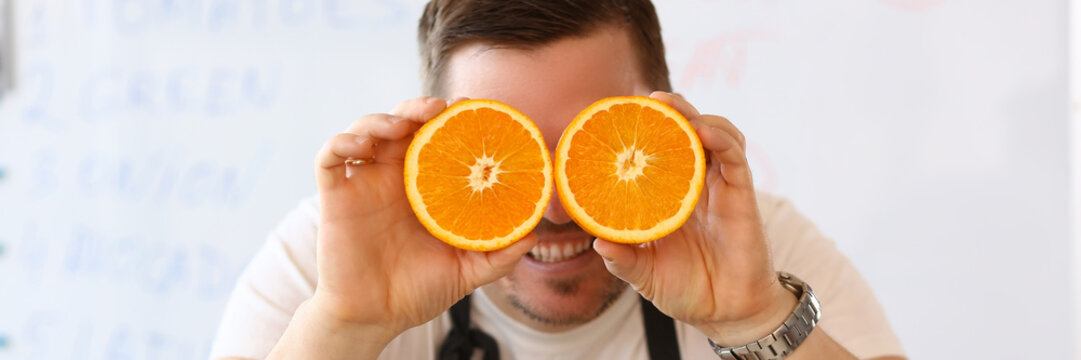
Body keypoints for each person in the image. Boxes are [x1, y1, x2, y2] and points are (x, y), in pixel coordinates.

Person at [210, 1, 906, 359]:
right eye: (505, 153)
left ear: (662, 119)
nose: (550, 206)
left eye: (586, 146)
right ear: (437, 144)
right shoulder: (338, 260)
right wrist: (347, 326)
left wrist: (756, 320)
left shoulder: (744, 250)